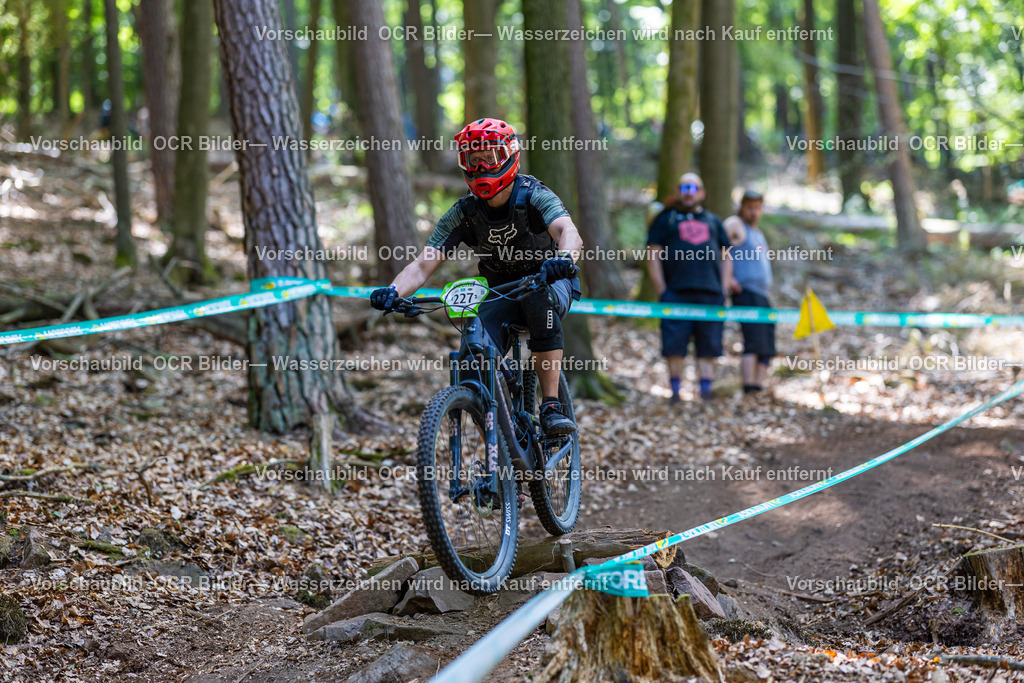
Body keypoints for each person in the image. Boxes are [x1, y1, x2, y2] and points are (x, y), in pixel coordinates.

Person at [369, 117, 584, 436]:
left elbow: (568, 231)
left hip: (550, 282)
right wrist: (393, 291)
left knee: (539, 301)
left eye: (491, 158)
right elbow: (422, 265)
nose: (483, 167)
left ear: (510, 156)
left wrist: (563, 259)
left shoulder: (533, 194)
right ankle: (502, 451)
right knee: (472, 360)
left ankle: (551, 404)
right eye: (474, 160)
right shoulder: (464, 214)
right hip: (501, 293)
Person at [646, 173, 734, 403]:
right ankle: (675, 393)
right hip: (676, 292)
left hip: (711, 293)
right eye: (684, 187)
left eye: (694, 188)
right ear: (677, 192)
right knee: (674, 345)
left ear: (702, 193)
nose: (688, 191)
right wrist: (661, 288)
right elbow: (652, 254)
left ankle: (706, 392)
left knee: (710, 344)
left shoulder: (714, 221)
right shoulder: (665, 219)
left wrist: (724, 287)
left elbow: (726, 256)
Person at [724, 190, 775, 394]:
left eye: (757, 208)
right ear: (742, 207)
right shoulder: (735, 225)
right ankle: (748, 387)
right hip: (746, 292)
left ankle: (758, 386)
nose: (754, 212)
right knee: (753, 340)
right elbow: (717, 243)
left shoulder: (758, 233)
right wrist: (728, 278)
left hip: (762, 294)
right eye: (750, 207)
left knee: (767, 344)